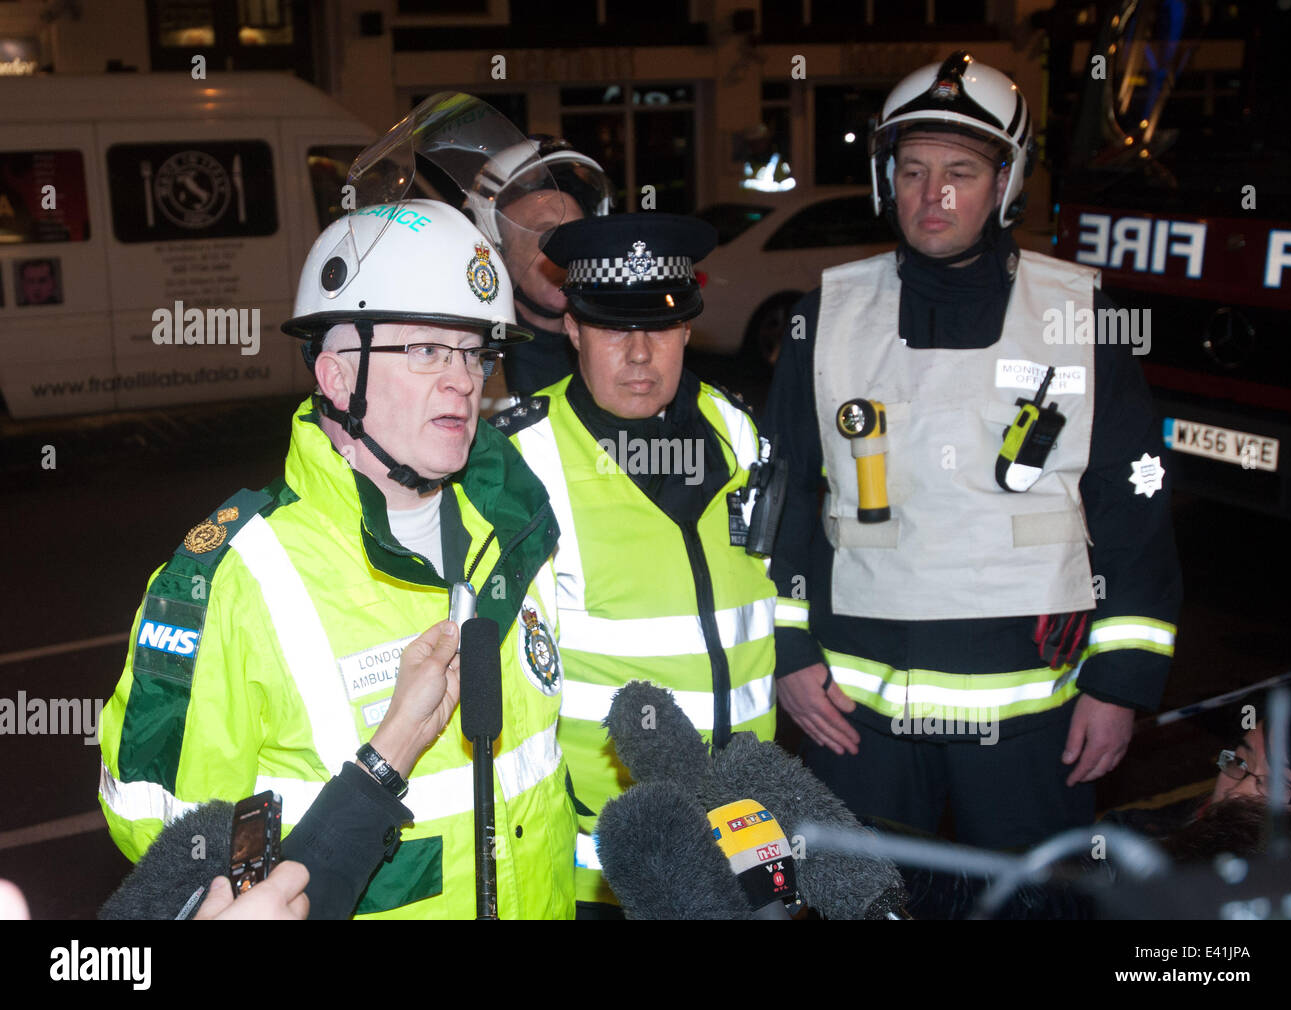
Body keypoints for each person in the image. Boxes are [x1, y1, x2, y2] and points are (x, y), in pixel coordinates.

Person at [98, 198, 577, 918]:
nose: (463, 380)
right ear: (335, 376)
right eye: (424, 350)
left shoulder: (511, 528)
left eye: (475, 352)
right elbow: (162, 837)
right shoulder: (231, 578)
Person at [762, 51, 1182, 850]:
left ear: (1005, 183)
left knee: (1031, 908)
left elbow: (1136, 508)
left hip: (1036, 722)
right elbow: (780, 497)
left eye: (962, 170)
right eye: (913, 169)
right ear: (888, 180)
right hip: (860, 717)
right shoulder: (828, 314)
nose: (935, 194)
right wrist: (788, 652)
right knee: (866, 904)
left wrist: (1119, 685)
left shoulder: (1079, 314)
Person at [490, 213, 782, 916]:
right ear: (573, 328)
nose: (641, 354)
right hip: (604, 854)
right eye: (615, 328)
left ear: (688, 329)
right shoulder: (520, 460)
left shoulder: (738, 433)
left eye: (661, 326)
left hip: (744, 827)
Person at [466, 136, 615, 396]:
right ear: (495, 248)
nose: (567, 250)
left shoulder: (621, 348)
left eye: (576, 233)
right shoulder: (468, 360)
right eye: (548, 234)